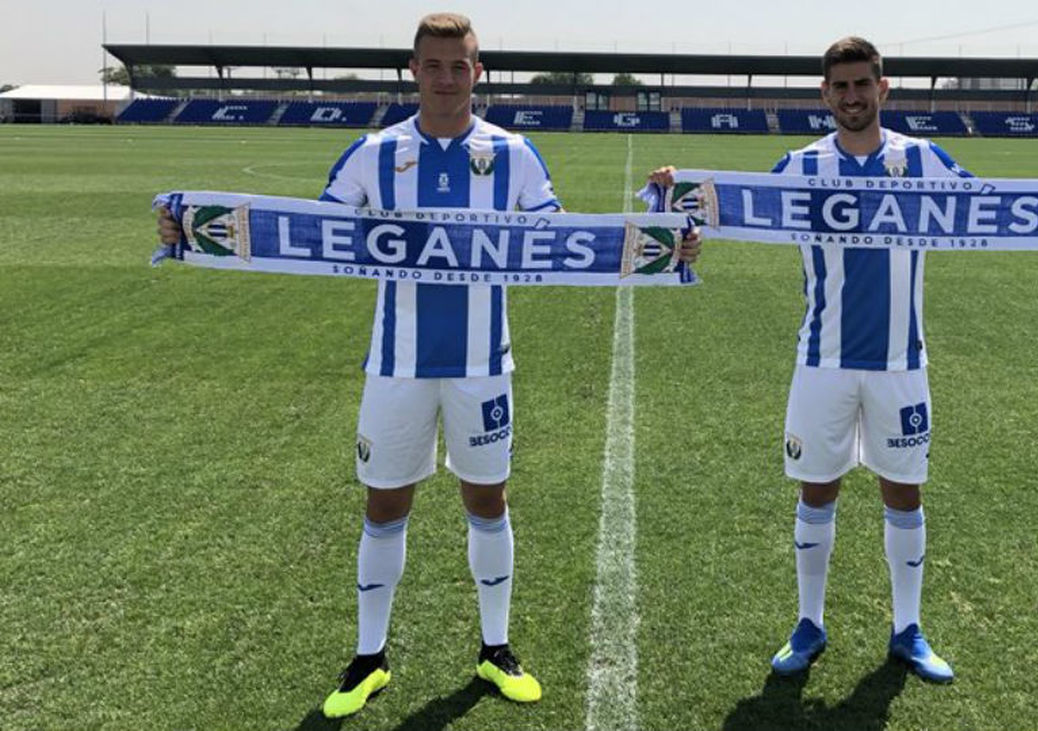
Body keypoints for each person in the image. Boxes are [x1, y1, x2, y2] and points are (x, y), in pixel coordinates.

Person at [159, 12, 699, 718]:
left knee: (488, 500)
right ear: (413, 71)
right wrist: (194, 230)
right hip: (396, 365)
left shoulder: (515, 155)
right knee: (385, 503)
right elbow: (307, 235)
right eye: (434, 65)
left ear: (479, 73)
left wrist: (664, 236)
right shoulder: (373, 153)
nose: (447, 78)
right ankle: (368, 657)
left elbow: (565, 241)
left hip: (483, 363)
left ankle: (495, 647)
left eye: (460, 65)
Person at [650, 37, 1038, 683]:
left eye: (862, 84)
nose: (852, 96)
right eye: (840, 86)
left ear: (883, 89)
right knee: (816, 487)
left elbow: (994, 210)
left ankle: (907, 627)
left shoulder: (922, 158)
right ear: (825, 94)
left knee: (903, 490)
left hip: (901, 361)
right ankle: (809, 621)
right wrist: (675, 213)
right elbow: (729, 213)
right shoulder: (799, 165)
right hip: (821, 360)